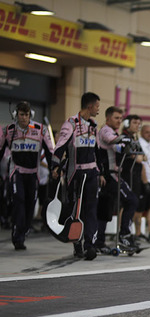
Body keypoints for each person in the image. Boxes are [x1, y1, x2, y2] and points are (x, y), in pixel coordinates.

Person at [52, 92, 102, 260]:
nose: (98, 110)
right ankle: (76, 241)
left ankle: (90, 245)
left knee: (91, 209)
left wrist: (100, 172)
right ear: (89, 106)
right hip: (76, 173)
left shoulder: (94, 125)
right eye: (97, 106)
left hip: (92, 173)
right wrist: (55, 165)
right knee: (76, 210)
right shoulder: (71, 124)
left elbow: (97, 151)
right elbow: (60, 146)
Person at [0, 101, 55, 250]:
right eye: (21, 114)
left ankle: (23, 230)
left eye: (26, 114)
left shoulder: (40, 130)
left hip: (33, 174)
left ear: (30, 115)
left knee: (31, 204)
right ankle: (17, 236)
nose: (24, 118)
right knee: (19, 200)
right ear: (15, 115)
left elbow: (50, 152)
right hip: (16, 171)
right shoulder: (8, 130)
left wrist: (55, 168)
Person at [97, 106, 139, 252]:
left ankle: (100, 242)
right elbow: (112, 140)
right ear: (108, 118)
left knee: (105, 208)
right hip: (108, 175)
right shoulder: (106, 131)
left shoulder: (114, 133)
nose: (119, 121)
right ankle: (124, 235)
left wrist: (129, 148)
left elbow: (119, 147)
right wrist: (127, 139)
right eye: (116, 118)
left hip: (114, 174)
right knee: (131, 200)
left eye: (121, 119)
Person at [119, 115, 148, 243]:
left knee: (133, 204)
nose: (137, 125)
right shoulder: (124, 138)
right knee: (126, 203)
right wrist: (138, 156)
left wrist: (138, 156)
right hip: (125, 174)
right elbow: (140, 157)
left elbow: (143, 157)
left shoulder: (134, 139)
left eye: (139, 123)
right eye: (135, 123)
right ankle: (122, 233)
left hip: (134, 175)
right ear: (126, 124)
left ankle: (127, 232)